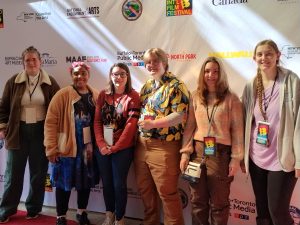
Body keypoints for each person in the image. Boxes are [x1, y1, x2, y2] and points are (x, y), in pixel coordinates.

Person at [179, 56, 244, 225]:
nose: (211, 75)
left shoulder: (232, 99)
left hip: (221, 155)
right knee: (197, 202)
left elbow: (238, 132)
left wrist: (236, 159)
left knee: (219, 204)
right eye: (207, 71)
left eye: (216, 71)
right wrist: (185, 154)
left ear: (221, 74)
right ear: (202, 74)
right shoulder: (196, 97)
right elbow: (189, 128)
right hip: (198, 152)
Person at [242, 39, 300, 225]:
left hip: (282, 158)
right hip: (256, 157)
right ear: (254, 58)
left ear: (278, 56)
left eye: (268, 54)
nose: (264, 58)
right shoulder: (251, 86)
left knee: (278, 212)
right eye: (260, 54)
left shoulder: (291, 81)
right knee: (263, 212)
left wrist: (299, 159)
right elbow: (245, 123)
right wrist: (241, 156)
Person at [0, 46, 60, 223]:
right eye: (27, 60)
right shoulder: (13, 82)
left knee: (38, 173)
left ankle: (34, 208)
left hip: (41, 132)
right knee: (13, 173)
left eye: (34, 59)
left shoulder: (51, 82)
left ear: (40, 61)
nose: (31, 63)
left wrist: (55, 134)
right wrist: (2, 128)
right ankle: (7, 209)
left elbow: (57, 109)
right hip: (18, 131)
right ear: (23, 63)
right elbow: (3, 108)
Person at [134, 48, 190, 225]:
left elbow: (180, 115)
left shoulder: (176, 85)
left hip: (164, 146)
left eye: (155, 61)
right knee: (145, 190)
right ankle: (150, 222)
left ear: (164, 63)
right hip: (142, 145)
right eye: (148, 62)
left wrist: (153, 124)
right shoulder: (147, 85)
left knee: (167, 193)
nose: (151, 65)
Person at [44, 61, 99, 225]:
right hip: (66, 147)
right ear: (71, 75)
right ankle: (61, 216)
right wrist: (51, 148)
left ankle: (82, 213)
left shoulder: (95, 94)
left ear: (88, 75)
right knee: (63, 182)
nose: (80, 76)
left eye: (83, 73)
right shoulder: (62, 94)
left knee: (86, 182)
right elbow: (50, 122)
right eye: (76, 73)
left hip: (88, 148)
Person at [94, 63, 140, 225]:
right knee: (106, 183)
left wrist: (115, 147)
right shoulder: (103, 95)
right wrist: (101, 144)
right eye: (115, 74)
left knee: (119, 184)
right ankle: (109, 215)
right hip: (103, 147)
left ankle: (120, 219)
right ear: (110, 76)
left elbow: (130, 126)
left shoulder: (133, 96)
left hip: (123, 149)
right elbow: (98, 121)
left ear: (127, 76)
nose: (118, 77)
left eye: (122, 74)